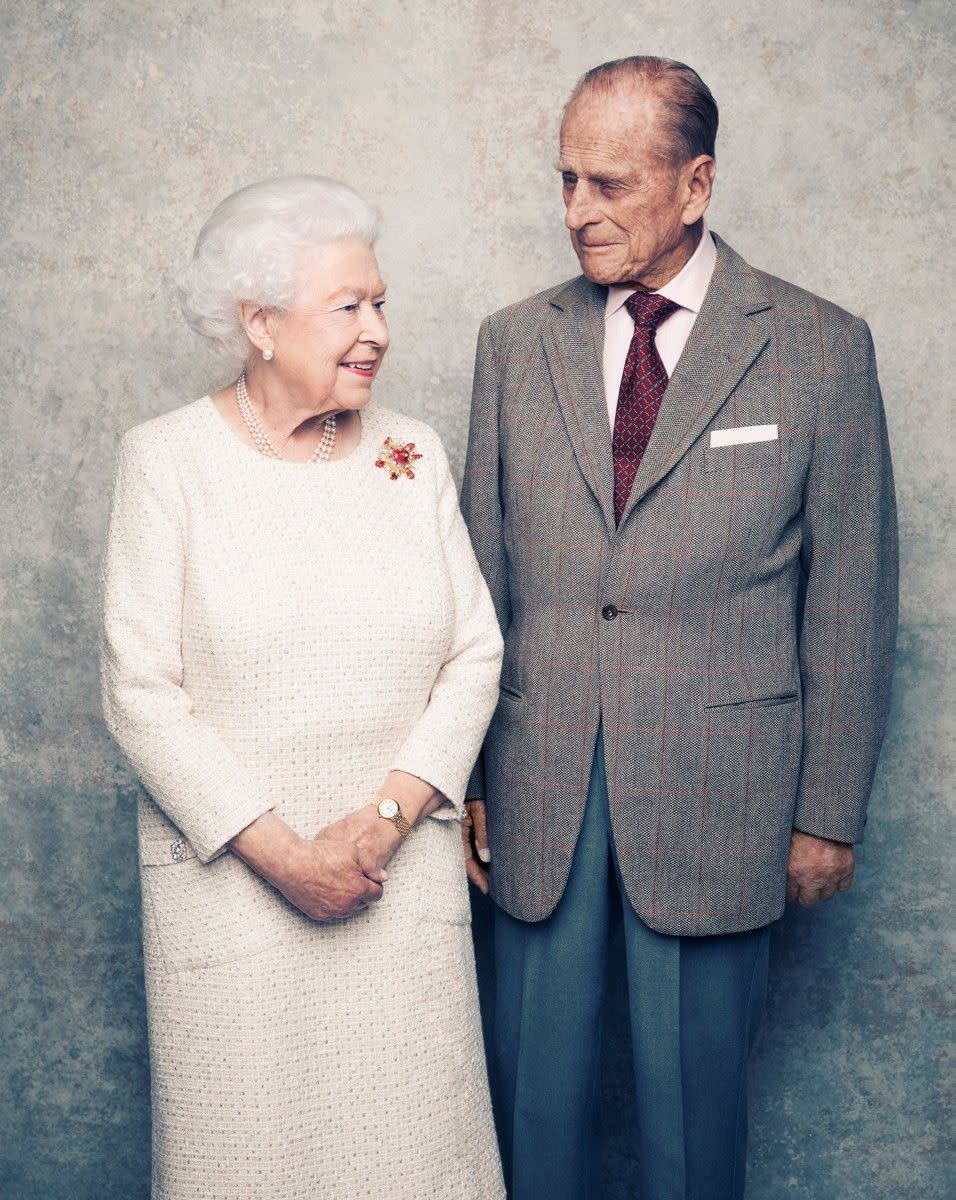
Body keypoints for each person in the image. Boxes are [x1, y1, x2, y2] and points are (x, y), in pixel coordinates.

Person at [460, 57, 898, 1200]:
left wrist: (824, 812)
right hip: (539, 777)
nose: (575, 213)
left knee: (694, 1125)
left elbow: (851, 596)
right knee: (528, 1107)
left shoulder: (817, 346)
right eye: (564, 182)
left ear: (694, 185)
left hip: (726, 793)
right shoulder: (512, 344)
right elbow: (479, 580)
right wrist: (468, 778)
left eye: (607, 185)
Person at [100, 175, 506, 1200]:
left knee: (415, 1163)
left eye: (379, 303)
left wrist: (378, 825)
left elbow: (474, 653)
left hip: (393, 885)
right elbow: (139, 690)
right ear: (258, 323)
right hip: (233, 902)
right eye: (347, 307)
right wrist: (284, 857)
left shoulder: (412, 452)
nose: (375, 330)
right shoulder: (167, 463)